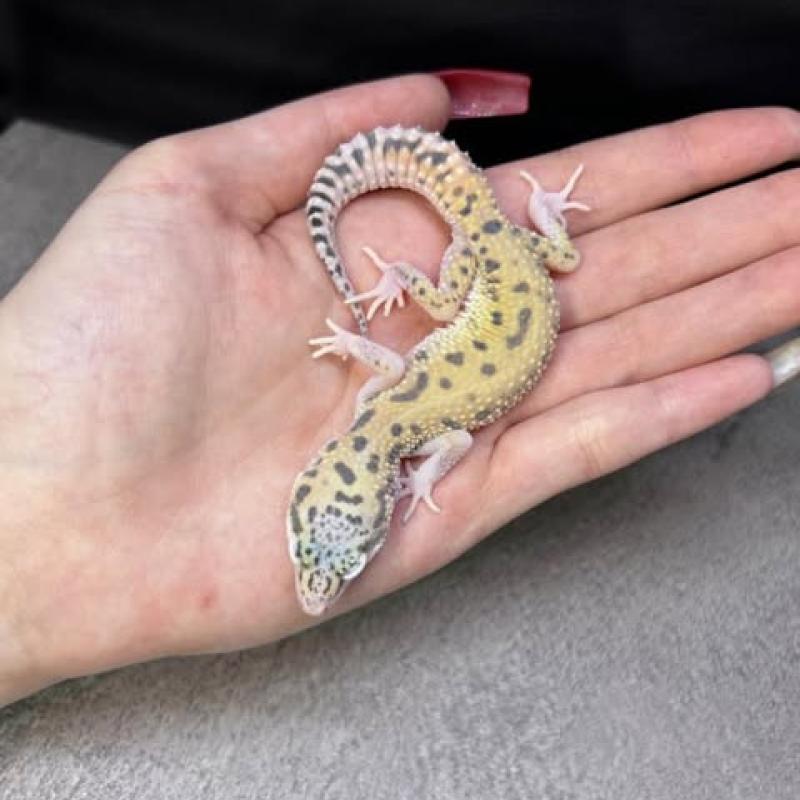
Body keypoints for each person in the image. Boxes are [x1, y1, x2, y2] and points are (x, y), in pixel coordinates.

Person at [0, 73, 797, 707]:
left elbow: (445, 427)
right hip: (511, 271)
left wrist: (408, 434)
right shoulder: (387, 417)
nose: (318, 589)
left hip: (500, 276)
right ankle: (543, 216)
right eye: (333, 562)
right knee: (521, 276)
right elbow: (407, 389)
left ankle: (540, 214)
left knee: (469, 298)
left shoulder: (405, 428)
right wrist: (365, 351)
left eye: (322, 558)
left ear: (317, 484)